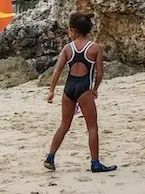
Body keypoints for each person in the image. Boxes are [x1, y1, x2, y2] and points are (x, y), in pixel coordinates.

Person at [44, 12, 116, 173]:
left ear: (73, 31)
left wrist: (51, 91)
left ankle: (50, 157)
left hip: (69, 88)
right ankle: (95, 163)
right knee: (92, 127)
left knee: (64, 124)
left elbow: (57, 70)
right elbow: (99, 73)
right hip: (84, 88)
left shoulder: (67, 48)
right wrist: (95, 89)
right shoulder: (95, 48)